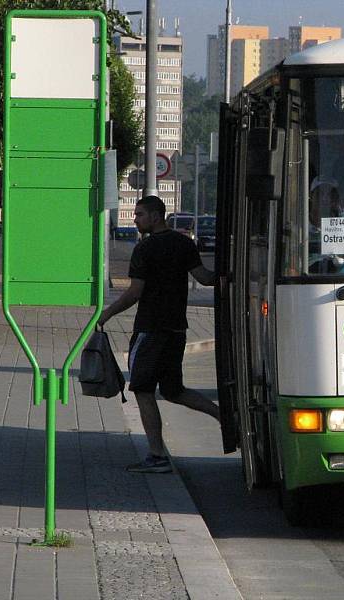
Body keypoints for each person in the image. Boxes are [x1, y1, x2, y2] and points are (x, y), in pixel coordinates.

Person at [98, 195, 217, 474]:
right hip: (177, 329)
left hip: (150, 329)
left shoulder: (145, 248)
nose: (135, 219)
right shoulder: (184, 243)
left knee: (142, 388)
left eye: (139, 214)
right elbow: (205, 278)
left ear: (155, 216)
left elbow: (134, 293)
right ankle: (222, 414)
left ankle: (157, 456)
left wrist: (107, 313)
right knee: (174, 390)